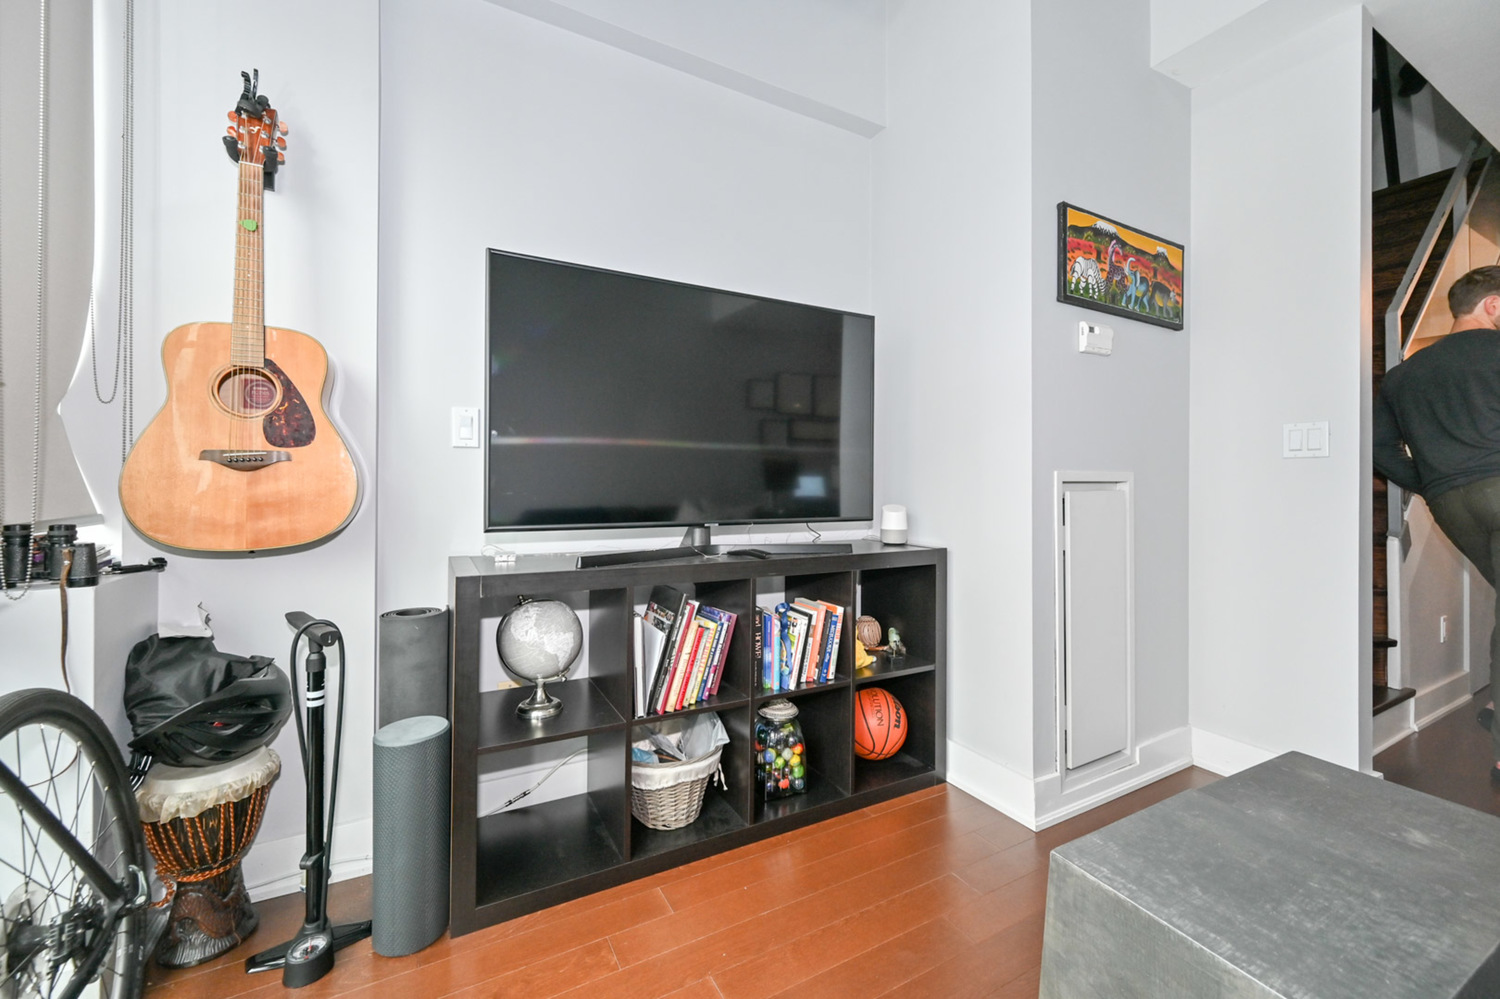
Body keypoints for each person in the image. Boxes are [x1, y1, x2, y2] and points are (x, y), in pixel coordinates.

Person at [1374, 264, 1500, 781]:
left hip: (1449, 503)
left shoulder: (1402, 376)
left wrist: (1428, 481)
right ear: (1493, 305)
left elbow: (1380, 449)